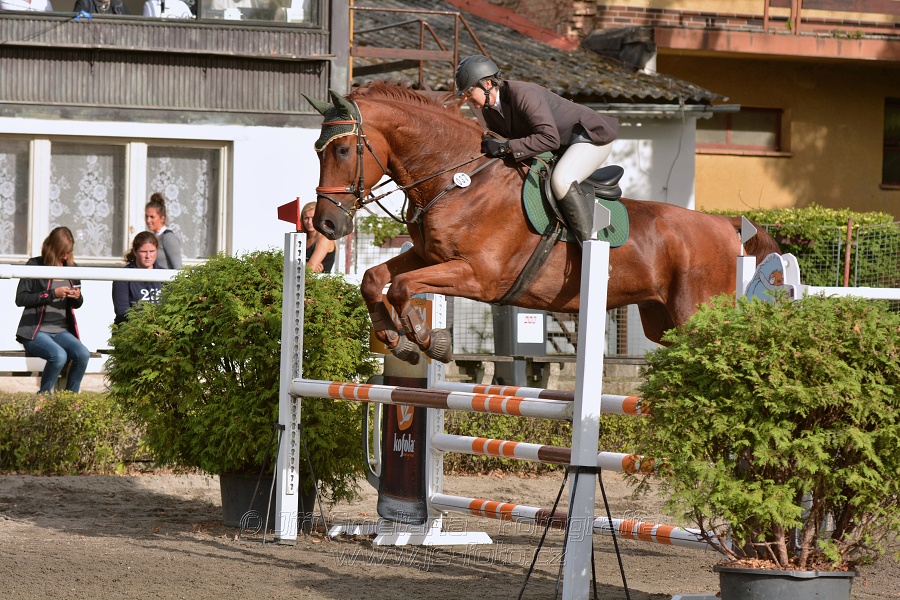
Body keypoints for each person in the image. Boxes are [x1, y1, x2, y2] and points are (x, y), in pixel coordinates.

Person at [455, 55, 619, 245]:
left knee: (561, 180)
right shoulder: (489, 110)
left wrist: (507, 146)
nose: (466, 98)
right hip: (561, 145)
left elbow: (549, 138)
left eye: (468, 92)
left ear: (488, 83)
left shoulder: (524, 93)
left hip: (588, 138)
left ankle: (589, 245)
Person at [15, 227, 91, 394]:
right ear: (53, 248)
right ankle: (44, 397)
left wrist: (76, 296)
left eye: (68, 252)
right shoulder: (34, 265)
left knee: (83, 354)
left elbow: (78, 304)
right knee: (59, 356)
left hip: (62, 331)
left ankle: (70, 400)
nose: (65, 257)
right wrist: (51, 294)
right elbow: (21, 299)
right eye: (62, 252)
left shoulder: (72, 268)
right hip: (35, 332)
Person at [112, 232, 163, 326]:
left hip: (160, 332)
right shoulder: (122, 276)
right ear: (135, 252)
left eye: (152, 251)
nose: (148, 256)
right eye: (143, 252)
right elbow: (122, 311)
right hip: (129, 332)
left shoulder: (165, 275)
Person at [145, 192, 183, 269]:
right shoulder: (153, 238)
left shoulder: (168, 237)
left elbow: (178, 268)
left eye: (152, 217)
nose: (148, 220)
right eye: (146, 216)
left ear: (162, 218)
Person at [301, 201, 335, 273]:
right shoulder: (303, 238)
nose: (309, 222)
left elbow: (310, 269)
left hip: (320, 283)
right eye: (306, 218)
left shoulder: (324, 239)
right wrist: (307, 265)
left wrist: (309, 266)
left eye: (313, 218)